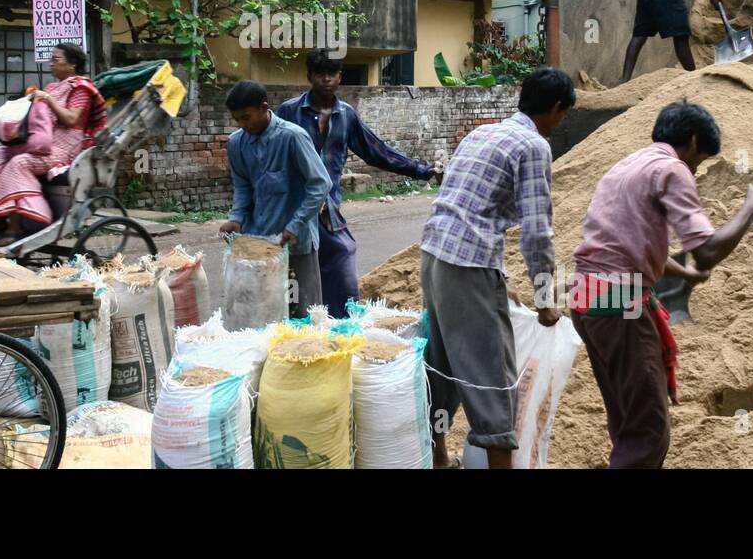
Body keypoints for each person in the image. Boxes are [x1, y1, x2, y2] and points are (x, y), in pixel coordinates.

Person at [569, 100, 753, 469]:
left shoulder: (627, 166)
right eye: (698, 162)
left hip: (587, 299)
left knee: (628, 419)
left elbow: (626, 244)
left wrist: (685, 274)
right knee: (648, 430)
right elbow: (708, 250)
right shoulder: (671, 169)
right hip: (620, 302)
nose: (694, 172)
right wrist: (750, 209)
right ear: (693, 141)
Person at [420, 66, 575, 470]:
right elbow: (537, 234)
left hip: (434, 254)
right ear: (556, 109)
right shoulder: (534, 146)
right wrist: (546, 301)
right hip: (467, 264)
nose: (559, 123)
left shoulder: (483, 132)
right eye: (562, 115)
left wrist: (496, 281)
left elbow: (473, 207)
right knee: (495, 378)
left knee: (442, 362)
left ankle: (438, 458)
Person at [276, 49, 438, 317]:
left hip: (328, 210)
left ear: (340, 77)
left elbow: (376, 150)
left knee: (342, 266)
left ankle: (342, 327)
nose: (326, 79)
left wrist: (421, 170)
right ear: (310, 76)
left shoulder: (346, 115)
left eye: (332, 73)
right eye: (320, 73)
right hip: (296, 209)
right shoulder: (290, 112)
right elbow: (274, 155)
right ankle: (299, 331)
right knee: (296, 280)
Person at [219, 80, 332, 319]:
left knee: (302, 314)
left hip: (296, 244)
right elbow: (242, 185)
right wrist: (237, 218)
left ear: (264, 107)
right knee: (261, 315)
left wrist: (296, 224)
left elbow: (321, 183)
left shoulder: (293, 137)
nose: (243, 124)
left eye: (247, 117)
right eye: (237, 119)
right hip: (257, 245)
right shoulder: (236, 143)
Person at [0, 43, 107, 245]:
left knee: (19, 163)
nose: (50, 64)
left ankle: (15, 226)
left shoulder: (81, 88)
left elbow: (72, 119)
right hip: (40, 143)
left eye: (56, 60)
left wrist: (48, 100)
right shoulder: (52, 87)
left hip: (62, 150)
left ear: (72, 64)